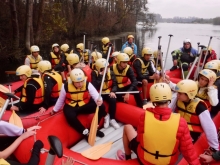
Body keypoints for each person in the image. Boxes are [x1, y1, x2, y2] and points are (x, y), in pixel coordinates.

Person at [116, 83, 200, 165]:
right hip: (167, 162)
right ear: (169, 98)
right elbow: (188, 151)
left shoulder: (144, 116)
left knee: (127, 127)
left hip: (144, 160)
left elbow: (139, 139)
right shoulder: (181, 122)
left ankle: (127, 158)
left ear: (153, 99)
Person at [51, 68, 108, 140]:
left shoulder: (87, 84)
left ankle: (94, 128)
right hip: (72, 106)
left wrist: (99, 100)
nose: (80, 84)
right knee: (69, 115)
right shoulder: (65, 86)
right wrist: (54, 110)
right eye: (77, 82)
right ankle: (85, 132)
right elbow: (60, 100)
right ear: (72, 81)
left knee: (101, 107)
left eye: (81, 81)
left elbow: (96, 95)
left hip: (85, 104)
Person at [173, 79, 219, 150]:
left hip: (192, 134)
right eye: (177, 93)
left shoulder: (199, 107)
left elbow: (209, 127)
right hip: (179, 129)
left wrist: (214, 146)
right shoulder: (177, 100)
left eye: (180, 93)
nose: (177, 95)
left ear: (189, 94)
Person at [91, 58, 120, 129]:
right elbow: (94, 86)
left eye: (107, 67)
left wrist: (113, 91)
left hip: (107, 91)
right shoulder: (94, 73)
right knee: (97, 103)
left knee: (113, 99)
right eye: (103, 68)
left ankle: (112, 119)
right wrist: (101, 76)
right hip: (99, 92)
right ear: (98, 68)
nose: (106, 69)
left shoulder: (111, 72)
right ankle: (106, 115)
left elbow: (115, 84)